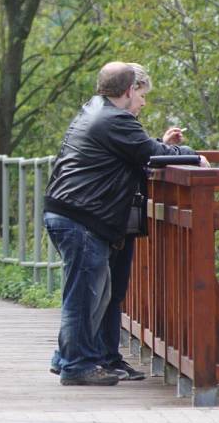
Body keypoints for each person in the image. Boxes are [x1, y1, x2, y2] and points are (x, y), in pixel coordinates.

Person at [44, 61, 208, 386]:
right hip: (80, 218)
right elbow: (151, 152)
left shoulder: (95, 111)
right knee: (85, 295)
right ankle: (76, 366)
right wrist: (192, 155)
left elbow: (136, 150)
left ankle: (68, 359)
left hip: (72, 213)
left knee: (92, 293)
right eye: (141, 94)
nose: (143, 101)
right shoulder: (114, 119)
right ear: (130, 90)